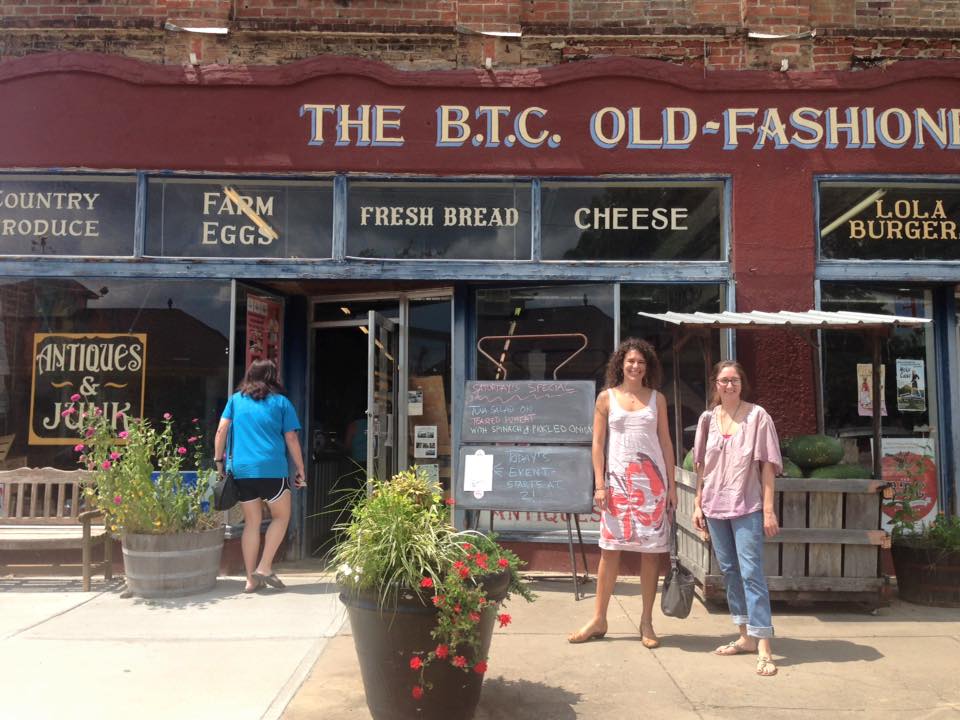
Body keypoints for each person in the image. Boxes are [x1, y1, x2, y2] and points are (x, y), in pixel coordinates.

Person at [568, 338, 677, 648]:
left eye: (640, 362)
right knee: (610, 551)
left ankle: (646, 621)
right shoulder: (606, 398)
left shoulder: (657, 399)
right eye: (630, 361)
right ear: (620, 364)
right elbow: (597, 444)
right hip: (616, 486)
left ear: (647, 367)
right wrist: (600, 485)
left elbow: (666, 442)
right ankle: (598, 619)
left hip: (651, 486)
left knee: (650, 554)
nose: (635, 366)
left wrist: (671, 486)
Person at [692, 360, 782, 677]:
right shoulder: (707, 420)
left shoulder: (758, 417)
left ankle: (764, 645)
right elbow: (701, 466)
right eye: (724, 380)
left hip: (747, 506)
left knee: (751, 572)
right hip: (715, 506)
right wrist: (698, 503)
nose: (729, 385)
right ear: (715, 384)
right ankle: (745, 636)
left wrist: (768, 509)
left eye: (735, 380)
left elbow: (768, 466)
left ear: (742, 383)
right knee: (730, 571)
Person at [214, 359, 306, 594]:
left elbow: (221, 430)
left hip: (242, 470)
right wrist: (300, 467)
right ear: (273, 377)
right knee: (281, 517)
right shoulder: (282, 402)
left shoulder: (235, 400)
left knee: (252, 523)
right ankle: (264, 567)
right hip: (272, 469)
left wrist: (219, 461)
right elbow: (291, 438)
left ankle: (250, 580)